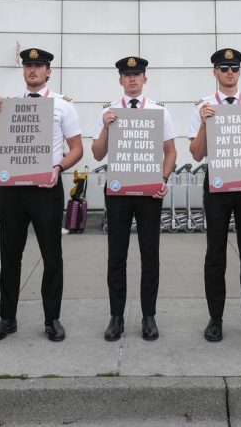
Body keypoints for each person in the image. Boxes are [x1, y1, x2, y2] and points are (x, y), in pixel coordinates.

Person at [0, 48, 83, 342]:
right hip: (13, 190)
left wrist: (58, 167)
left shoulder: (62, 105)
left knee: (52, 255)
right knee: (9, 256)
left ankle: (52, 318)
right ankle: (7, 318)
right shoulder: (9, 104)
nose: (33, 70)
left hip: (46, 188)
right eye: (28, 65)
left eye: (39, 66)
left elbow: (77, 148)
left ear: (48, 71)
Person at [188, 48, 241, 343]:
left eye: (234, 68)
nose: (229, 73)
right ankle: (216, 319)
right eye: (223, 68)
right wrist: (203, 123)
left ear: (239, 72)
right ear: (214, 72)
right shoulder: (204, 106)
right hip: (219, 186)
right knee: (216, 255)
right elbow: (197, 154)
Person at [91, 56, 177, 342]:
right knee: (117, 255)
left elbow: (171, 152)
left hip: (149, 193)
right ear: (120, 80)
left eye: (137, 74)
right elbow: (97, 154)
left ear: (145, 78)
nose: (132, 79)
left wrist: (163, 179)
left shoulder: (158, 112)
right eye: (127, 75)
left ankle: (148, 316)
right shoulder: (109, 111)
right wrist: (105, 127)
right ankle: (116, 316)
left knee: (150, 254)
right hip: (118, 193)